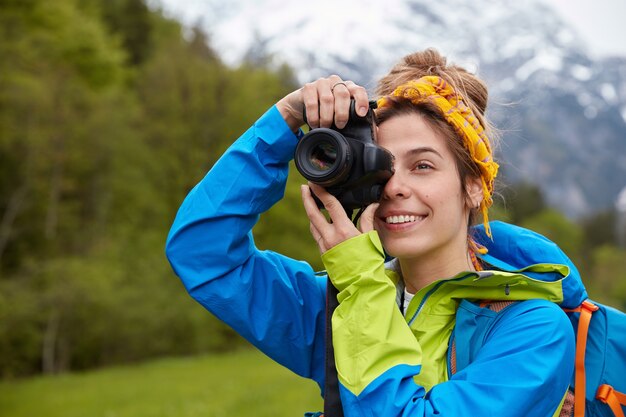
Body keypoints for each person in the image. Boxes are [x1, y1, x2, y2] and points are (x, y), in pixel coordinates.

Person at [166, 49, 586, 416]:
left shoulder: (533, 328)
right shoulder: (336, 304)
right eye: (381, 165)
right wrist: (285, 120)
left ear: (473, 186)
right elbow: (202, 252)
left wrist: (362, 283)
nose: (395, 186)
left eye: (422, 166)